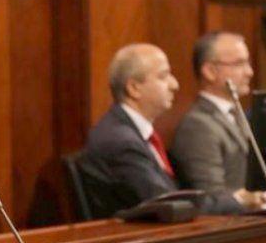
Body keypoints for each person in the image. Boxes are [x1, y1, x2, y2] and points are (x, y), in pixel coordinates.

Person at [80, 43, 243, 217]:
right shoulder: (121, 141)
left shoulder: (133, 133)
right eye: (163, 76)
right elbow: (167, 204)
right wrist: (238, 200)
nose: (175, 84)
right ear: (134, 88)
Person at [170, 32, 264, 211]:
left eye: (248, 63)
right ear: (210, 71)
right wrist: (249, 199)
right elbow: (210, 197)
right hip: (228, 222)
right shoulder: (197, 126)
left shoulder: (237, 115)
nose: (249, 72)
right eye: (239, 63)